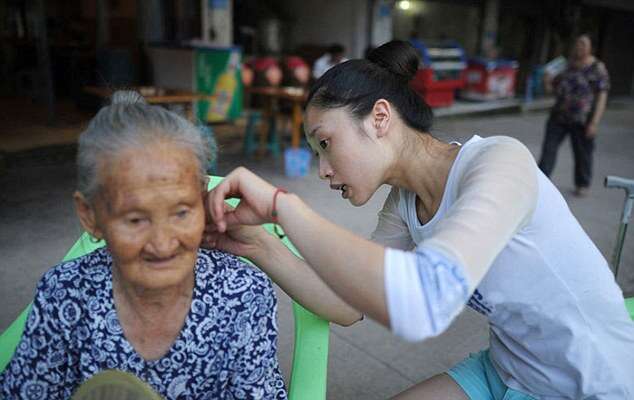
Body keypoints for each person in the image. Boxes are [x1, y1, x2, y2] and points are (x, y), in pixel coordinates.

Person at [204, 41, 634, 399]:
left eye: (326, 144)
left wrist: (283, 205)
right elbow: (346, 305)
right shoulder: (404, 204)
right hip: (507, 369)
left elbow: (426, 302)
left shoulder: (500, 162)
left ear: (379, 118)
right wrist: (257, 244)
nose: (324, 170)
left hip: (592, 382)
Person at [0, 91, 287, 399]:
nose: (162, 244)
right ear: (90, 216)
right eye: (135, 220)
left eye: (181, 212)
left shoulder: (242, 294)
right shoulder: (65, 294)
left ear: (202, 198)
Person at [538, 34, 610, 197]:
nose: (580, 47)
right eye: (577, 44)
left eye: (584, 44)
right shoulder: (565, 65)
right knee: (548, 150)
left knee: (582, 153)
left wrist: (594, 122)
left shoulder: (597, 67)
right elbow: (551, 91)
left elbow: (602, 96)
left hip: (583, 119)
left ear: (590, 48)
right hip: (559, 116)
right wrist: (546, 81)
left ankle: (582, 183)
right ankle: (540, 181)